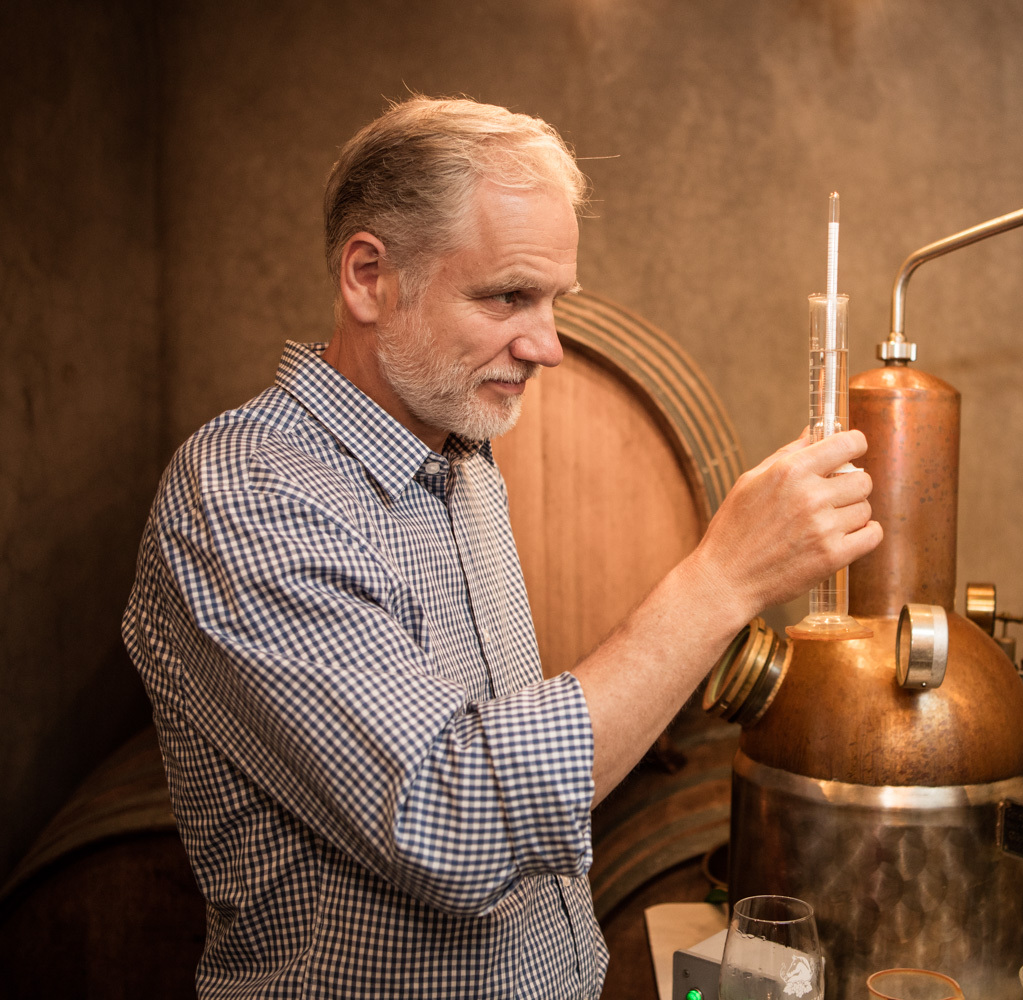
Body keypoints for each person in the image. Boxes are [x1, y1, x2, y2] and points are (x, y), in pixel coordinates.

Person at [122, 96, 881, 999]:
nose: (549, 345)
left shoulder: (461, 458)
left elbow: (505, 752)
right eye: (508, 296)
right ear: (369, 276)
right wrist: (721, 580)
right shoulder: (247, 495)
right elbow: (453, 819)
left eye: (555, 300)